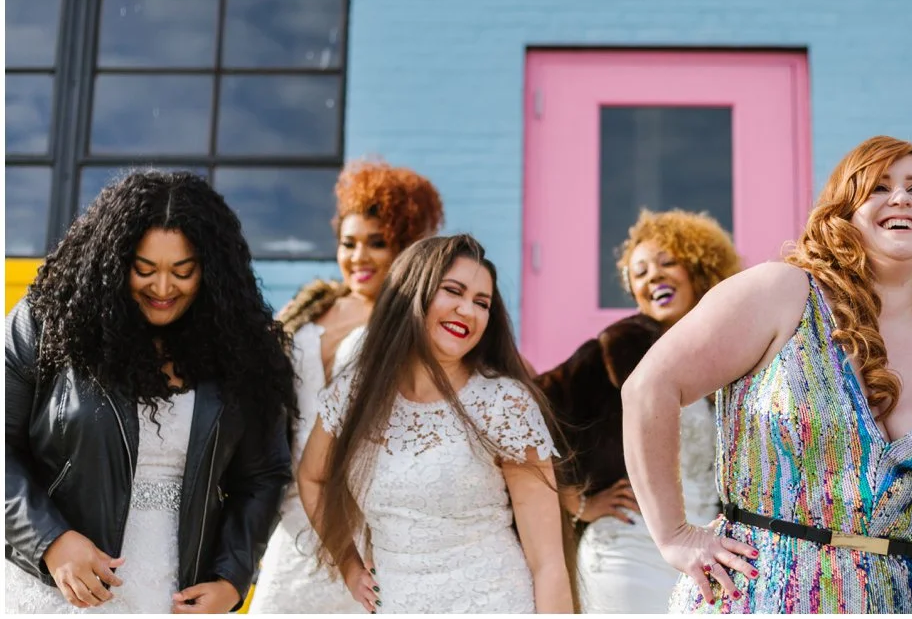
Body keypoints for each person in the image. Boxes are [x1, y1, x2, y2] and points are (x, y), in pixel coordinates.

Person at [623, 135, 912, 613]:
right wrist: (674, 535)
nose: (900, 197)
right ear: (843, 214)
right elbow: (649, 387)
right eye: (878, 187)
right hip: (762, 595)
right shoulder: (784, 293)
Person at [5, 170, 295, 614]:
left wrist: (233, 578)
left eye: (184, 272)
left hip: (170, 597)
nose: (162, 289)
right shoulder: (47, 324)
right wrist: (50, 540)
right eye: (144, 270)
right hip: (55, 590)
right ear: (112, 261)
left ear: (213, 270)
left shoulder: (241, 348)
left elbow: (263, 476)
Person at [297, 234, 572, 613]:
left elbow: (548, 563)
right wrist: (349, 565)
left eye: (481, 303)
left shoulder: (504, 404)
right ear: (413, 293)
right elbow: (313, 478)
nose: (468, 311)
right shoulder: (354, 393)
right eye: (453, 291)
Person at [251, 160, 443, 614]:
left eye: (377, 243)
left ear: (406, 246)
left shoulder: (412, 326)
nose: (359, 257)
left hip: (363, 522)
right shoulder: (307, 310)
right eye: (349, 243)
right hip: (292, 514)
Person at [536, 209, 741, 613]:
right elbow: (529, 415)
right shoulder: (617, 350)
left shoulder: (733, 354)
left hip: (710, 553)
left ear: (699, 268)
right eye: (640, 272)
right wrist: (576, 501)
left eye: (667, 263)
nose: (653, 277)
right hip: (626, 552)